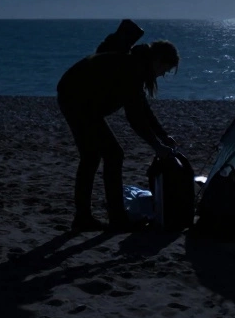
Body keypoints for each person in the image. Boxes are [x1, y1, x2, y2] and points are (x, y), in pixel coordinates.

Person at [56, 39, 180, 231]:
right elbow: (135, 118)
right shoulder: (133, 68)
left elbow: (143, 109)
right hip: (76, 99)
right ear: (157, 60)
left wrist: (163, 136)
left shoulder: (136, 65)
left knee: (93, 157)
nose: (163, 74)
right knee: (111, 155)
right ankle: (114, 217)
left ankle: (86, 218)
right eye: (165, 69)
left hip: (80, 100)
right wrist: (156, 146)